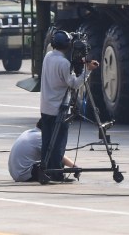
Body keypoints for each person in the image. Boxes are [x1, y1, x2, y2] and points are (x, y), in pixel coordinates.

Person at [39, 30, 98, 182]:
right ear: (68, 45)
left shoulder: (48, 57)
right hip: (59, 108)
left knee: (47, 141)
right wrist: (87, 71)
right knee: (59, 143)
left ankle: (45, 170)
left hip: (45, 107)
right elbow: (74, 84)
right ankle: (57, 173)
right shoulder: (64, 63)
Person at [8, 127, 76, 182]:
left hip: (15, 173)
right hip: (24, 174)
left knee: (50, 158)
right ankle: (57, 177)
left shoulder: (28, 132)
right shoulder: (41, 137)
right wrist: (74, 167)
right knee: (56, 161)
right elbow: (57, 156)